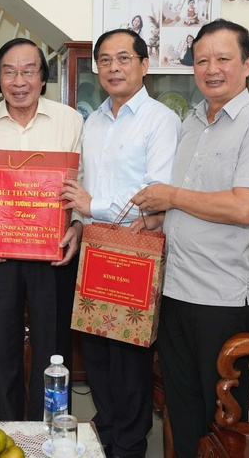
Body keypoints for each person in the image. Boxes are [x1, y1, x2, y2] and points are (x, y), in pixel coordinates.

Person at [131, 19, 249, 457]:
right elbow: (189, 202)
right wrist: (160, 219)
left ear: (247, 64)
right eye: (202, 60)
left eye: (223, 59)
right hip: (176, 289)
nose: (211, 69)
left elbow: (244, 208)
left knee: (225, 416)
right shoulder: (192, 122)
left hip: (222, 298)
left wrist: (171, 196)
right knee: (181, 410)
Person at [61, 29, 180, 458]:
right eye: (105, 59)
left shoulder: (161, 121)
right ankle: (105, 435)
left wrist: (95, 206)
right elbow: (85, 188)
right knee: (95, 352)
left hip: (136, 251)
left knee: (129, 356)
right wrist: (79, 219)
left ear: (144, 65)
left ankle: (129, 445)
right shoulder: (93, 122)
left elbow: (156, 194)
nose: (114, 67)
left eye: (124, 58)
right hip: (94, 247)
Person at [0, 38, 84, 421]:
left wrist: (77, 227)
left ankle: (48, 427)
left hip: (52, 254)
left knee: (53, 347)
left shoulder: (69, 120)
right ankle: (11, 427)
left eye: (28, 70)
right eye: (9, 71)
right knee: (3, 348)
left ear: (43, 79)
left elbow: (84, 187)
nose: (19, 80)